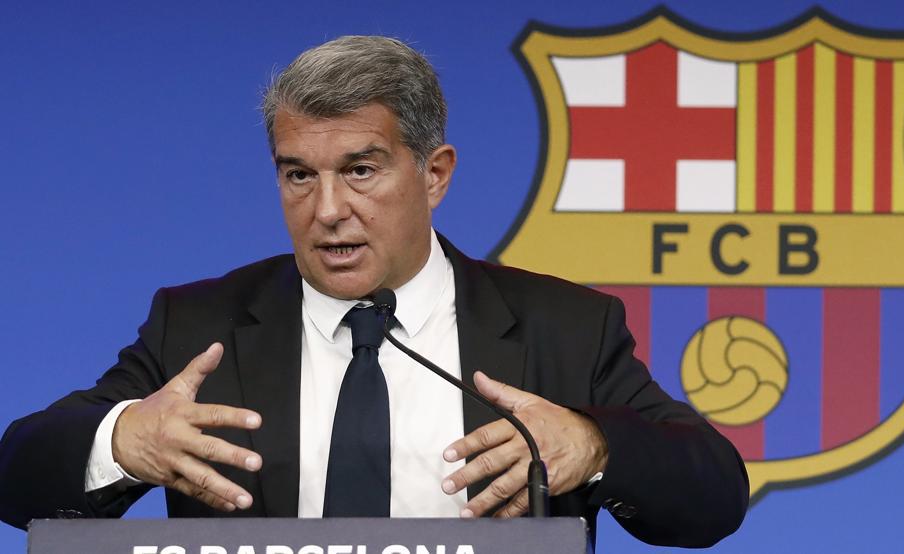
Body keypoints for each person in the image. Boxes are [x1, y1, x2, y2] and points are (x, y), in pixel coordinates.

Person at [0, 36, 748, 547]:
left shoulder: (564, 328)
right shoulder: (202, 325)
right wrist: (122, 440)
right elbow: (17, 480)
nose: (326, 211)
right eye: (299, 174)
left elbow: (713, 496)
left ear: (435, 174)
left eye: (361, 170)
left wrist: (592, 445)